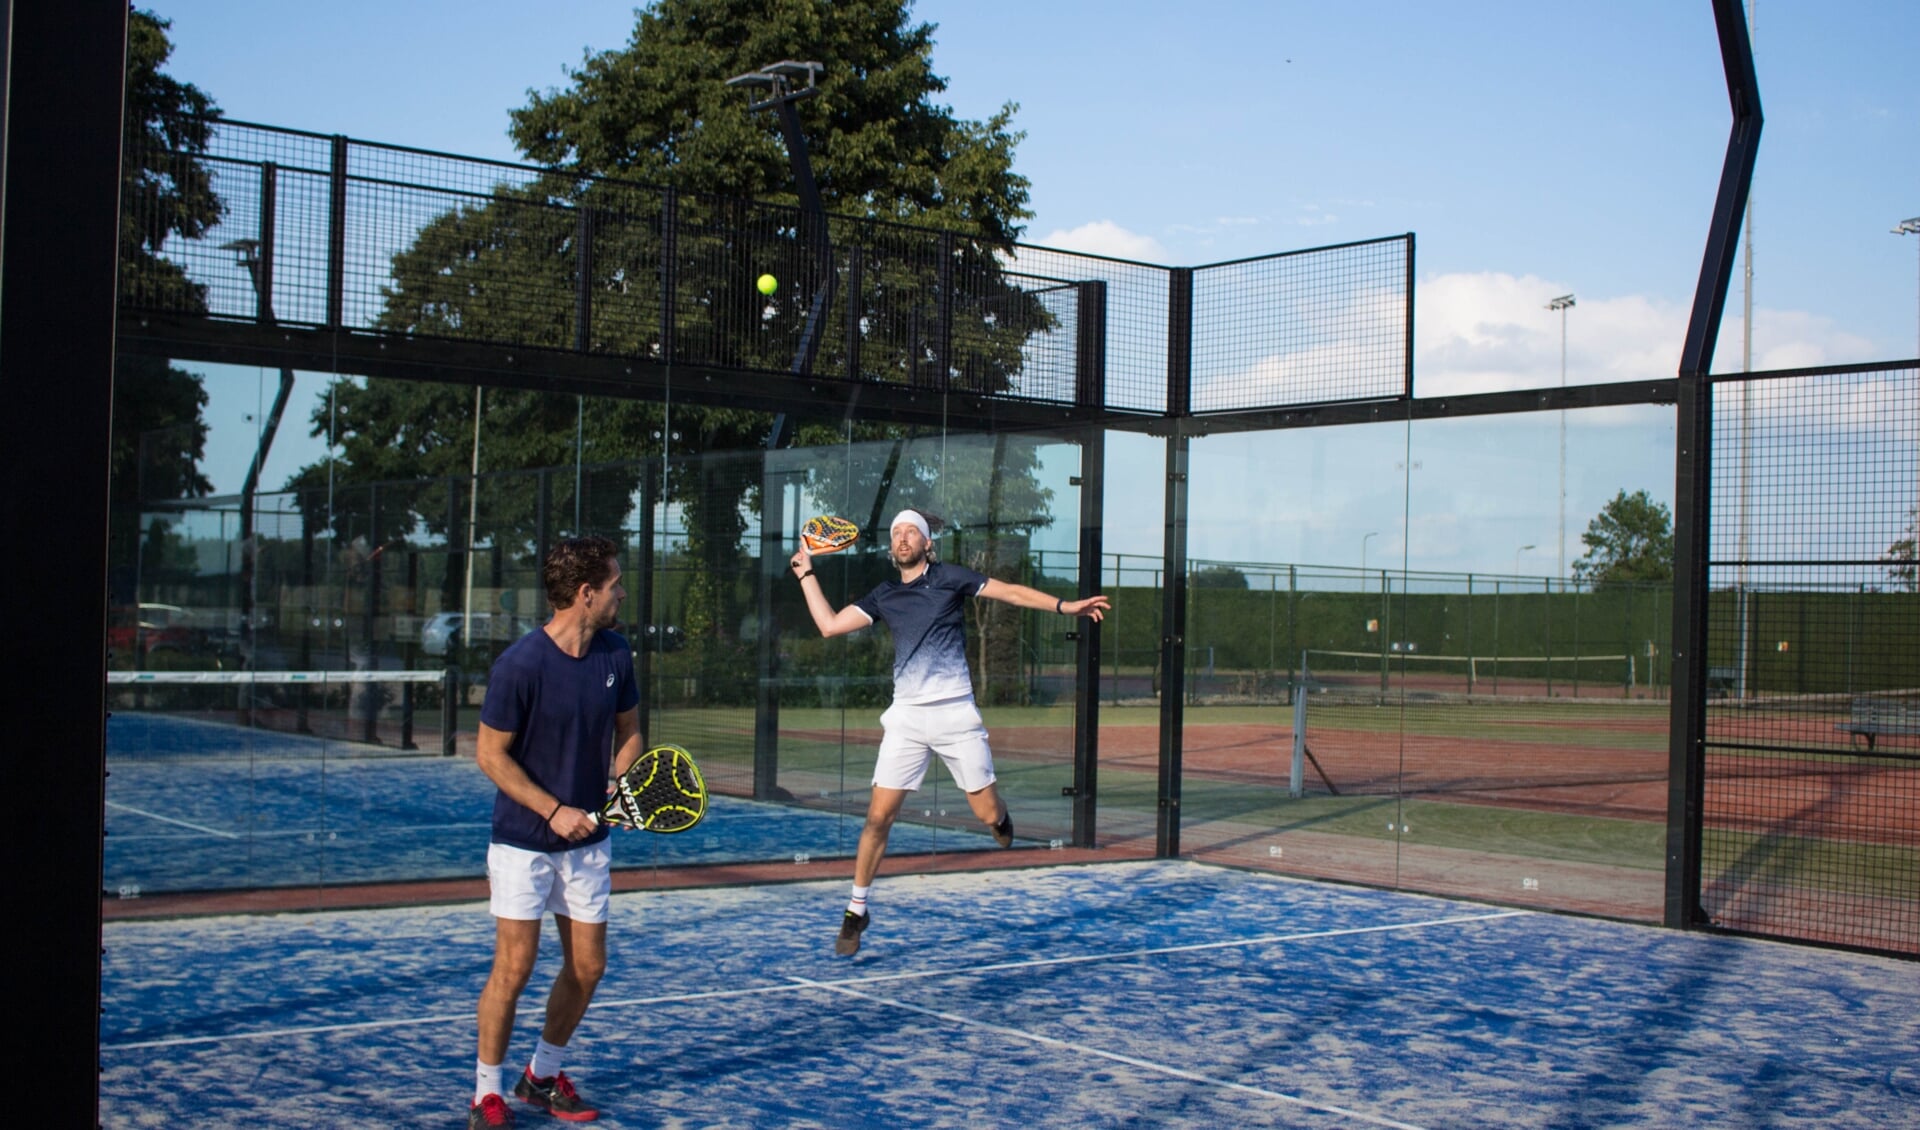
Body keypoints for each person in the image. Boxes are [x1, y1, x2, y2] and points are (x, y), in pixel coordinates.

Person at [789, 508, 1109, 956]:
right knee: (878, 819)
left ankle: (1000, 818)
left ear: (927, 544)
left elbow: (1011, 593)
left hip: (956, 715)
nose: (902, 538)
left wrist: (1065, 606)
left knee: (985, 815)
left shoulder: (950, 578)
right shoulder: (883, 595)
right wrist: (806, 575)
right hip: (906, 719)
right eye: (897, 532)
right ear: (891, 546)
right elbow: (828, 626)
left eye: (911, 533)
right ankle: (856, 910)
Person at [467, 535, 642, 1128]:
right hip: (523, 842)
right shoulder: (519, 665)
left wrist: (621, 785)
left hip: (589, 844)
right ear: (585, 594)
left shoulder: (617, 655)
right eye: (614, 583)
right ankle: (486, 1093)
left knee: (589, 967)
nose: (622, 591)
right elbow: (490, 755)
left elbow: (630, 733)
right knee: (514, 968)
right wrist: (552, 809)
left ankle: (540, 1076)